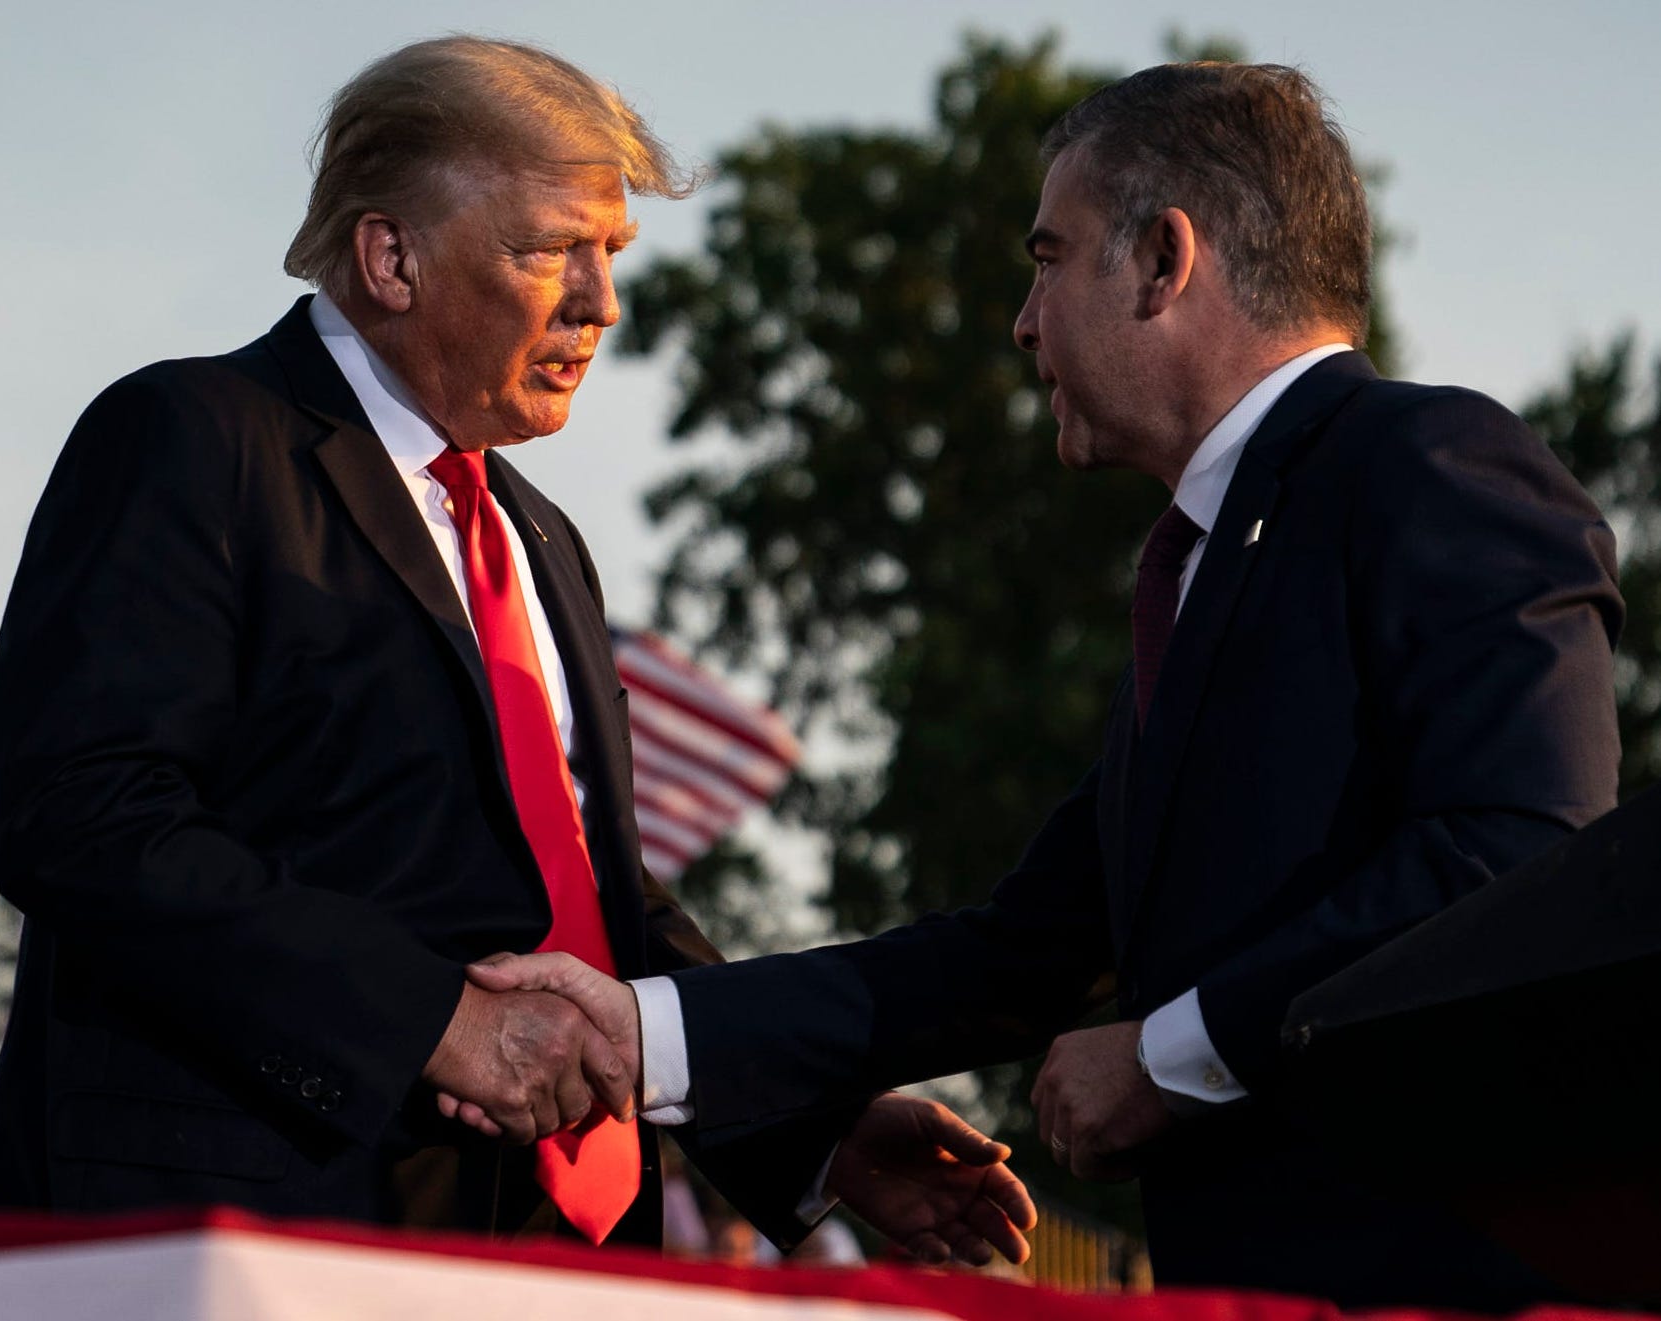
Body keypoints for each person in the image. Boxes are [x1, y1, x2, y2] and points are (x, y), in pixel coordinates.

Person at [467, 62, 1623, 1308]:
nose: (1023, 320)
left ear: (1162, 260)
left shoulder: (1428, 462)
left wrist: (1175, 1051)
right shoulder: (1203, 570)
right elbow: (1011, 959)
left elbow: (1515, 852)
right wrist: (644, 1037)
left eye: (1048, 257)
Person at [0, 35, 1033, 1264]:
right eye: (547, 251)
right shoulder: (192, 437)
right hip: (236, 1228)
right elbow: (84, 816)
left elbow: (587, 893)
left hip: (552, 1239)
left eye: (612, 254)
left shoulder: (540, 535)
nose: (601, 302)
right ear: (391, 255)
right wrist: (431, 1023)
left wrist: (810, 1126)